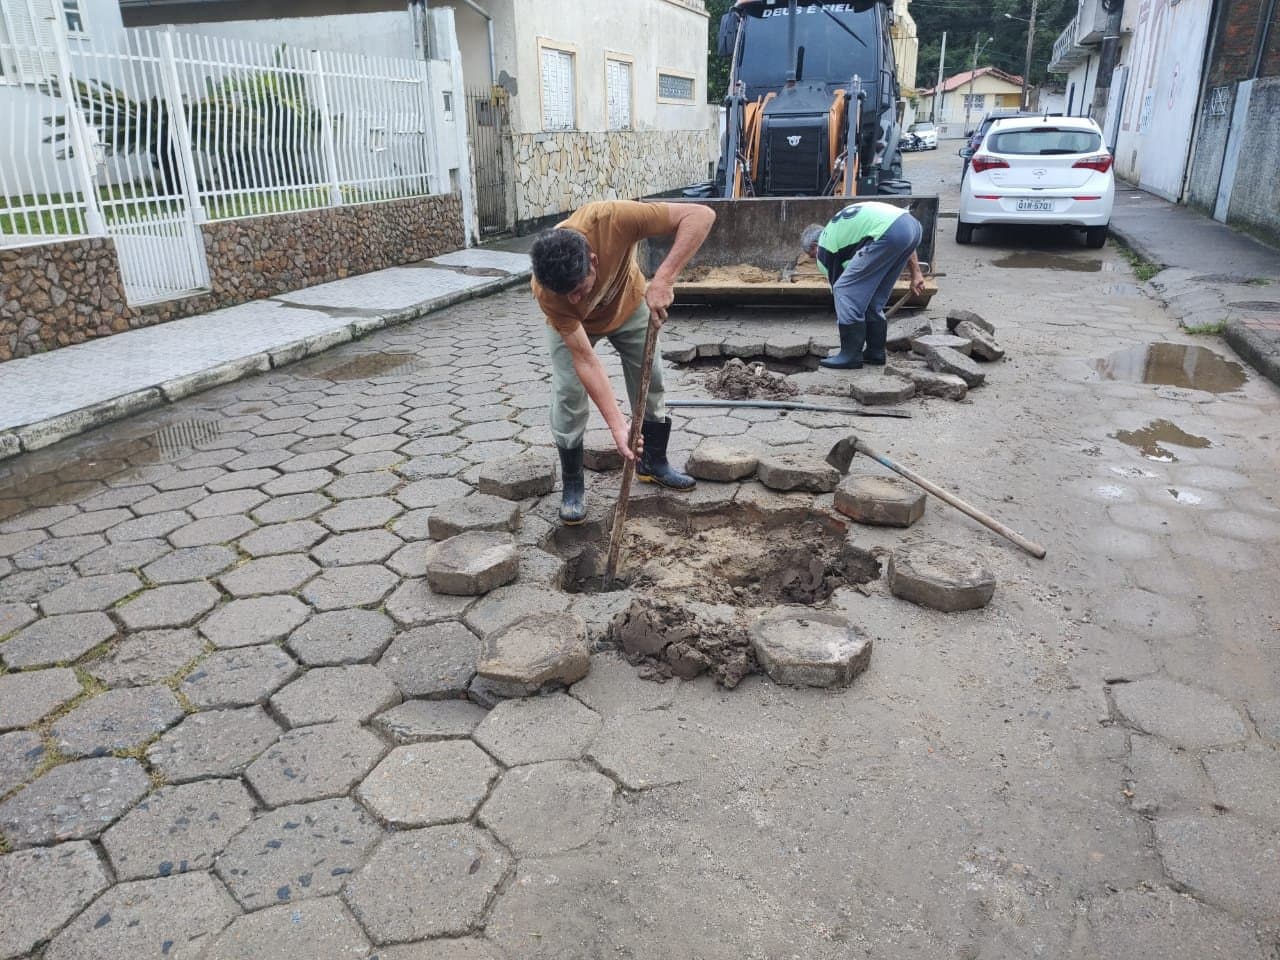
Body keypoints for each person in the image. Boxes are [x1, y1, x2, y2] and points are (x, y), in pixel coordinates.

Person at [530, 200, 716, 525]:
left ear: (593, 260)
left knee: (651, 378)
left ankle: (653, 463)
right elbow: (586, 360)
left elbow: (701, 215)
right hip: (575, 330)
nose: (576, 300)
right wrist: (618, 426)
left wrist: (664, 279)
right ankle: (573, 485)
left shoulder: (614, 219)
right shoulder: (548, 293)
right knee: (569, 395)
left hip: (628, 306)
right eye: (567, 295)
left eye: (578, 289)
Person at [799, 201, 927, 370]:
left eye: (811, 255)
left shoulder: (825, 246)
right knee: (872, 299)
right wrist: (916, 273)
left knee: (844, 291)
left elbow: (841, 288)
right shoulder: (844, 232)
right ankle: (875, 353)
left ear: (815, 246)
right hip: (911, 227)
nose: (815, 258)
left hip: (889, 233)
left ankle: (850, 355)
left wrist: (845, 315)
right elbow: (900, 232)